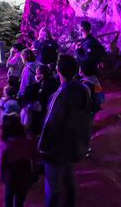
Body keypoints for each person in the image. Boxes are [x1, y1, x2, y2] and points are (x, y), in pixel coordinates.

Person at [38, 54, 92, 207]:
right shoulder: (83, 89)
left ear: (58, 70)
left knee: (53, 186)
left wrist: (42, 146)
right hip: (74, 143)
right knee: (69, 178)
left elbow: (50, 123)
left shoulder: (60, 95)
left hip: (57, 149)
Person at [0, 113, 39, 207]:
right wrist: (35, 172)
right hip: (25, 172)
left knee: (9, 196)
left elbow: (1, 163)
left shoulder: (5, 145)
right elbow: (35, 156)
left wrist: (2, 176)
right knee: (20, 199)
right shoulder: (28, 142)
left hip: (11, 174)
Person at [79, 61, 105, 156]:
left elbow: (83, 100)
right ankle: (86, 147)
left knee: (84, 129)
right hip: (94, 109)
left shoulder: (85, 84)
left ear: (83, 71)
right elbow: (100, 97)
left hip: (87, 110)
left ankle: (84, 150)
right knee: (88, 127)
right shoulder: (94, 80)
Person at [31, 65, 59, 135]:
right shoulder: (55, 81)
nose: (36, 76)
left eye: (37, 74)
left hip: (46, 113)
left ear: (42, 75)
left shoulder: (44, 84)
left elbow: (41, 99)